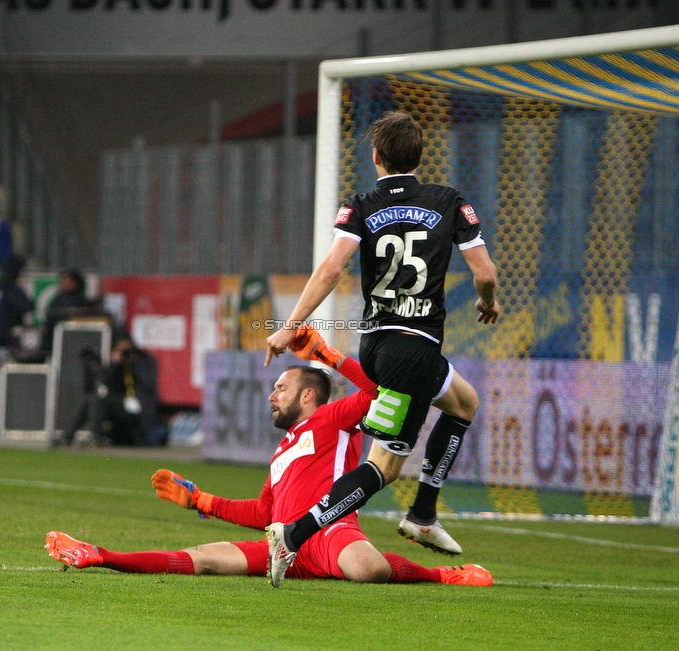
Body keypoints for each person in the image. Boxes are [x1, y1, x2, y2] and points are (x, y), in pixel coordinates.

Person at [45, 326, 492, 587]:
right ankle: (98, 554)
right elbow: (264, 511)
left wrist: (329, 355)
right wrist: (202, 501)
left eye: (282, 388)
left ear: (309, 394)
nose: (272, 396)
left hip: (331, 532)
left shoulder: (336, 416)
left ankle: (442, 576)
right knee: (202, 558)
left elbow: (379, 392)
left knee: (367, 568)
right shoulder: (281, 450)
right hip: (283, 545)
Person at [264, 111, 500, 587]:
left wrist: (290, 327)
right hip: (414, 352)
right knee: (383, 468)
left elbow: (331, 271)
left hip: (377, 346)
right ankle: (293, 535)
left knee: (464, 403)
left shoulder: (361, 204)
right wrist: (487, 302)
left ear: (375, 157)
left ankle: (424, 513)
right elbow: (486, 274)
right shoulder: (449, 202)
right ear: (420, 156)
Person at [57, 336, 163, 447]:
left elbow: (149, 383)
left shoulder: (145, 360)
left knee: (98, 400)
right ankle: (68, 436)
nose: (123, 353)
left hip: (138, 404)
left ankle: (93, 436)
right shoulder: (118, 366)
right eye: (120, 349)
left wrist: (133, 364)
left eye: (126, 350)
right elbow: (106, 383)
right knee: (91, 399)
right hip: (119, 402)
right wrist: (115, 364)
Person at [0, 254, 34, 434]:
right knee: (3, 386)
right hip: (5, 344)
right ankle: (1, 423)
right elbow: (27, 307)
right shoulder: (12, 289)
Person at [40, 268, 98, 357]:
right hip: (53, 342)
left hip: (73, 342)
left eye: (69, 280)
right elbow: (50, 315)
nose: (65, 283)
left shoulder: (81, 301)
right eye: (64, 279)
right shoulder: (58, 299)